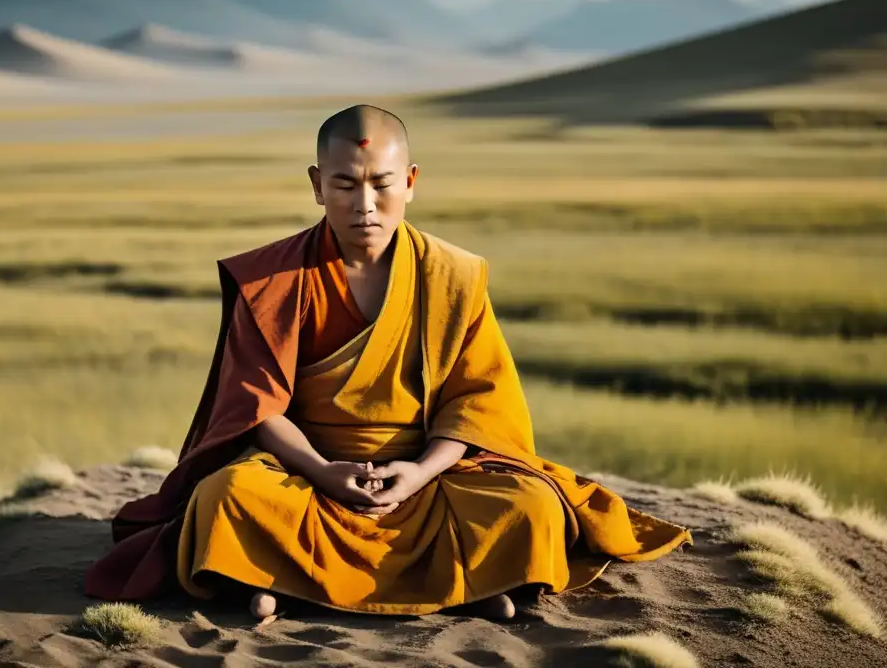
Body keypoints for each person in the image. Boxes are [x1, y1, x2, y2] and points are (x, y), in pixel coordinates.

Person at [84, 104, 692, 620]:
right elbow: (256, 406)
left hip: (429, 476)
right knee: (229, 494)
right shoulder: (272, 279)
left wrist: (420, 473)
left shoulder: (453, 276)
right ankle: (469, 585)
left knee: (528, 506)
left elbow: (475, 404)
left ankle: (277, 582)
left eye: (381, 183)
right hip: (307, 473)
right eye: (345, 185)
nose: (364, 204)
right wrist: (323, 471)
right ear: (317, 184)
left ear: (411, 181)